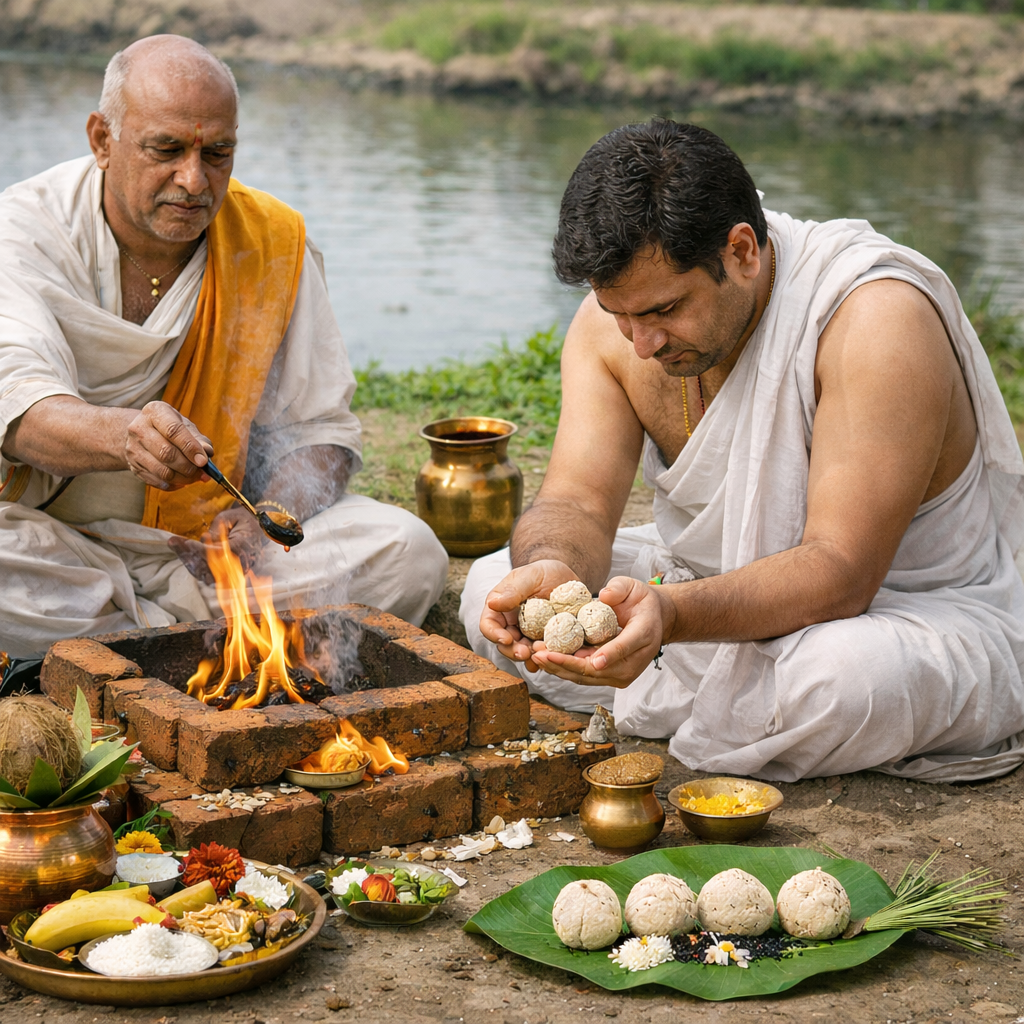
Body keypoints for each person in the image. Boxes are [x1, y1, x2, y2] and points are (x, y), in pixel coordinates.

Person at [461, 119, 1024, 783]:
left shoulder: (874, 318)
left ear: (742, 252)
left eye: (666, 309)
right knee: (488, 591)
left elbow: (841, 570)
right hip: (708, 597)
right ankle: (717, 705)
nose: (642, 344)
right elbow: (577, 498)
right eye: (621, 316)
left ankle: (691, 697)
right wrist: (555, 569)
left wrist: (667, 616)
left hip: (893, 615)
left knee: (838, 680)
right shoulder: (618, 324)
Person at [0, 35, 448, 657]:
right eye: (167, 150)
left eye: (217, 153)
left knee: (406, 552)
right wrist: (125, 438)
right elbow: (20, 412)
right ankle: (208, 648)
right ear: (103, 140)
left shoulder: (270, 242)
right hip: (51, 543)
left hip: (206, 558)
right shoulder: (22, 231)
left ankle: (145, 649)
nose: (193, 179)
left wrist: (267, 515)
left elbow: (323, 433)